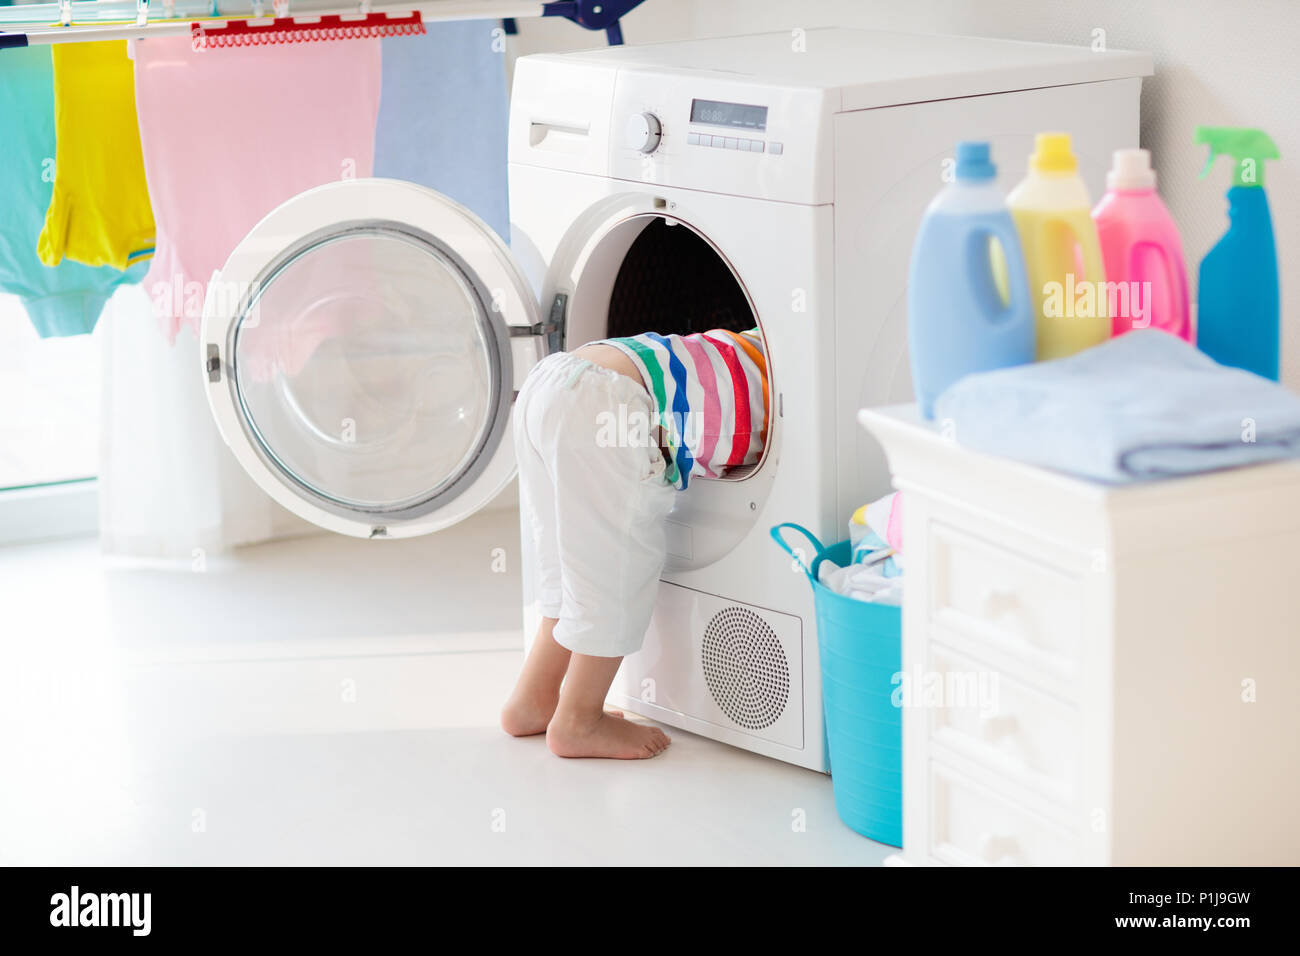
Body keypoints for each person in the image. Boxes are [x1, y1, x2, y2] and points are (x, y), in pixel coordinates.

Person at [501, 328, 768, 758]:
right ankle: (579, 721)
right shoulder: (786, 386)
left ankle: (534, 699)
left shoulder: (742, 344)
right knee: (612, 572)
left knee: (569, 566)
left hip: (552, 381)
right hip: (608, 406)